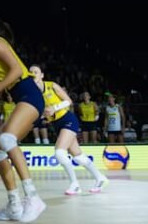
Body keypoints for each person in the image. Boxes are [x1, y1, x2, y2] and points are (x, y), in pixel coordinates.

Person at [0, 14, 47, 223]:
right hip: (18, 97)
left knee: (7, 140)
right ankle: (14, 205)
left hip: (29, 94)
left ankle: (33, 197)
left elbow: (15, 71)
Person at [31, 67, 107, 195]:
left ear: (42, 75)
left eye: (36, 72)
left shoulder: (52, 85)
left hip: (68, 120)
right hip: (56, 124)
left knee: (60, 153)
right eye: (31, 72)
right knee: (79, 157)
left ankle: (75, 184)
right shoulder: (34, 94)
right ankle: (100, 178)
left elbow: (68, 101)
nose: (33, 74)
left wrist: (55, 108)